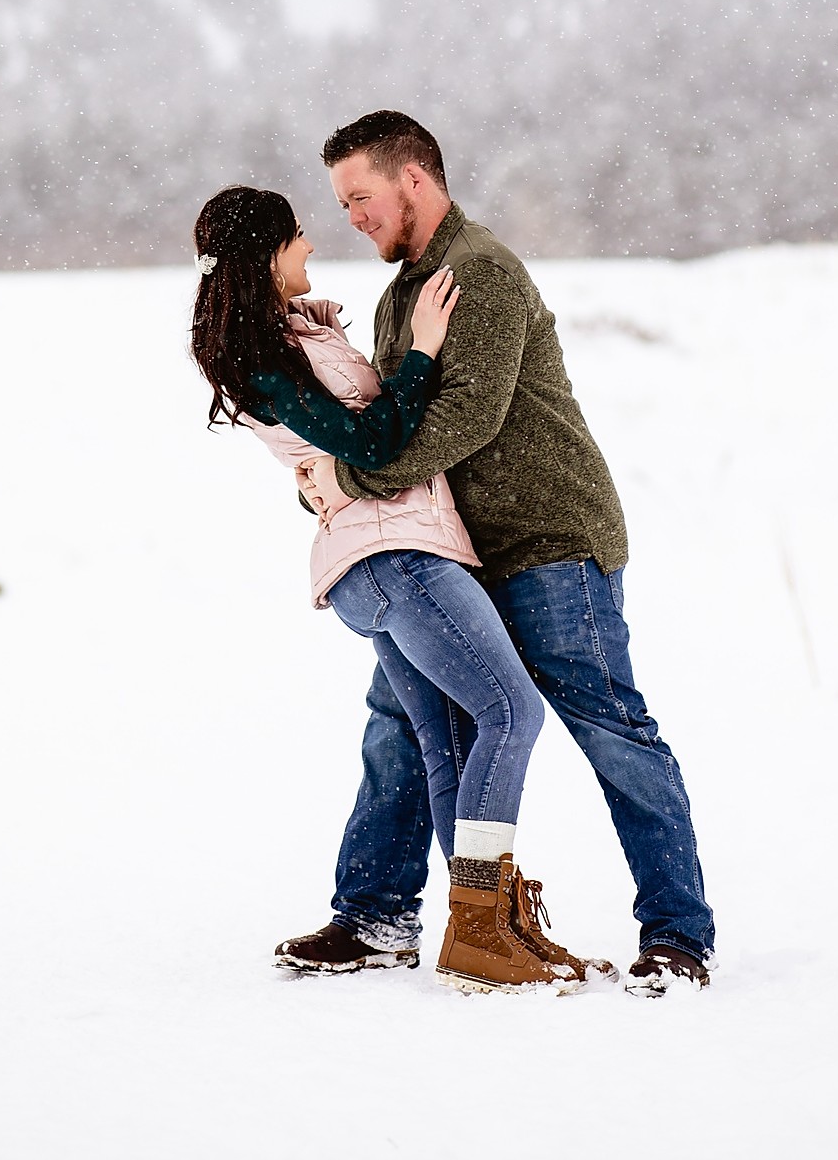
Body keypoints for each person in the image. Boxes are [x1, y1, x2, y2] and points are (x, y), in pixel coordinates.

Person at [275, 112, 716, 996]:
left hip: (548, 543)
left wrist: (349, 480)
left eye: (360, 196)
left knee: (611, 728)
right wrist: (321, 473)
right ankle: (375, 914)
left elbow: (459, 422)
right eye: (341, 202)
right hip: (454, 556)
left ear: (415, 179)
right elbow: (385, 419)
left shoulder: (478, 273)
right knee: (400, 721)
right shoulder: (407, 292)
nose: (353, 217)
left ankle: (677, 935)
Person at [189, 183, 609, 992]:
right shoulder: (263, 361)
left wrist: (328, 338)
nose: (312, 246)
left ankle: (482, 927)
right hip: (397, 558)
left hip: (383, 559)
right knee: (511, 712)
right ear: (264, 256)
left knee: (446, 741)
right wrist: (420, 350)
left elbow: (334, 444)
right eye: (299, 236)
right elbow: (378, 442)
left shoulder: (278, 342)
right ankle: (483, 926)